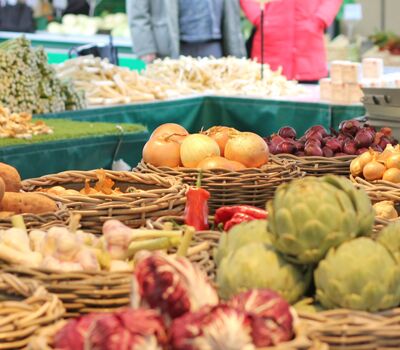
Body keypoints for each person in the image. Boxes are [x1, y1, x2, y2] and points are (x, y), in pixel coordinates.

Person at [241, 0, 343, 82]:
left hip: (308, 49)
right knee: (268, 104)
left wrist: (321, 18)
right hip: (271, 49)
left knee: (307, 103)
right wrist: (260, 18)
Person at [127, 0, 246, 62]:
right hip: (174, 48)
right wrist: (145, 48)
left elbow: (232, 13)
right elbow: (137, 11)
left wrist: (237, 51)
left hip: (215, 47)